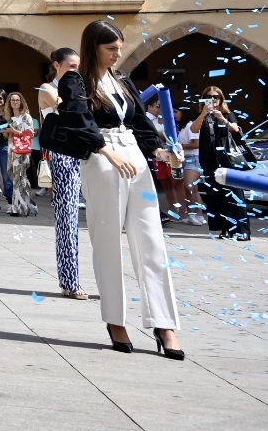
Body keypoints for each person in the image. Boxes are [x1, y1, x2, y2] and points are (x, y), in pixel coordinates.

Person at [54, 20, 184, 360]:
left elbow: (141, 123)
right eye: (111, 48)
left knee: (151, 240)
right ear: (94, 47)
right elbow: (78, 120)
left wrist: (161, 151)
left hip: (135, 159)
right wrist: (107, 152)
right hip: (102, 158)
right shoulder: (75, 80)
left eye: (120, 48)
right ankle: (116, 320)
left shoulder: (123, 81)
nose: (117, 54)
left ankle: (164, 323)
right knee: (107, 239)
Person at [38, 50, 88, 299]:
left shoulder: (80, 88)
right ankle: (70, 281)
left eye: (78, 66)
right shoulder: (47, 89)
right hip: (64, 155)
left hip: (86, 154)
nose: (75, 71)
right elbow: (69, 110)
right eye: (70, 66)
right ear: (57, 65)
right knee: (67, 219)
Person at [193, 86, 252, 239]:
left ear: (221, 99)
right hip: (210, 160)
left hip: (228, 160)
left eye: (216, 97)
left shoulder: (227, 114)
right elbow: (194, 129)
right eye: (209, 97)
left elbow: (234, 129)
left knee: (235, 195)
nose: (213, 100)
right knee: (215, 196)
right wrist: (203, 114)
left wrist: (222, 118)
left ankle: (241, 230)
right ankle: (223, 229)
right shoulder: (203, 115)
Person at [3, 91, 38, 217]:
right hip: (12, 150)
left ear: (21, 102)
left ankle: (17, 208)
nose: (15, 102)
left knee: (18, 179)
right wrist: (6, 132)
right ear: (9, 103)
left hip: (22, 152)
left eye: (17, 100)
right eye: (12, 100)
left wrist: (14, 131)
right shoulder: (10, 118)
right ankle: (30, 205)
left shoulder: (26, 117)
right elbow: (8, 136)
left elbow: (30, 134)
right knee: (19, 178)